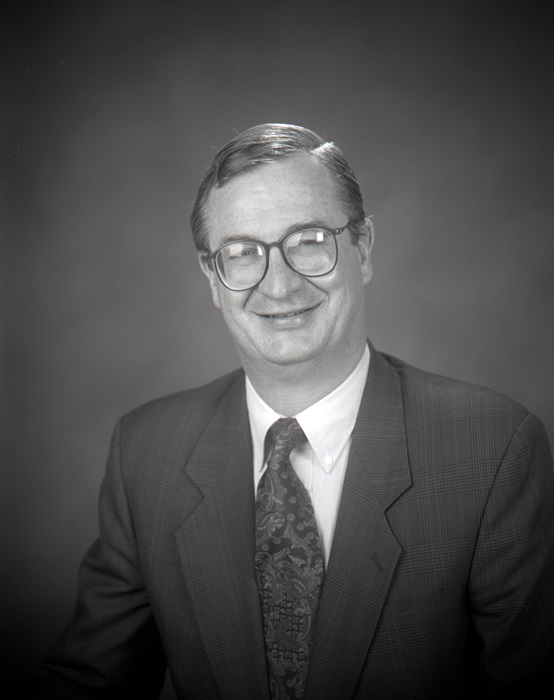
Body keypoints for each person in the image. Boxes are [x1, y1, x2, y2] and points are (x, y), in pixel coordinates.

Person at [26, 124, 554, 699]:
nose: (277, 285)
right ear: (212, 277)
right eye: (242, 253)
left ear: (363, 248)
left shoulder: (493, 448)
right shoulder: (146, 453)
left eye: (307, 239)